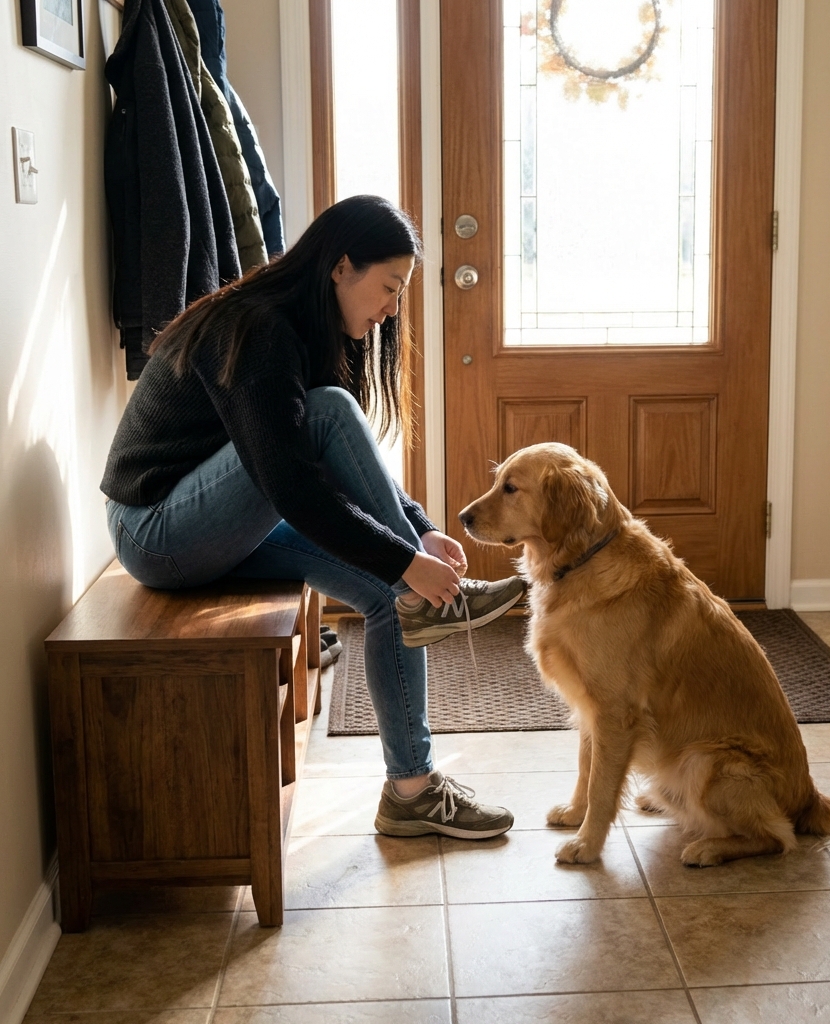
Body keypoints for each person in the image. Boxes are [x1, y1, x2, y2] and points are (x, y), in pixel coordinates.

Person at [101, 195, 522, 840]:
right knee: (331, 421)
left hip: (219, 523)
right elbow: (295, 486)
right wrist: (409, 557)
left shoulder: (307, 329)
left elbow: (330, 471)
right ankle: (438, 596)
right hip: (157, 532)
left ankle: (412, 790)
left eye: (399, 294)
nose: (391, 309)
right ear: (340, 266)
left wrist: (413, 531)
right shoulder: (259, 328)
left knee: (389, 595)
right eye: (387, 287)